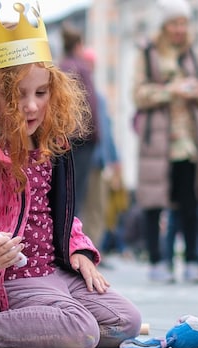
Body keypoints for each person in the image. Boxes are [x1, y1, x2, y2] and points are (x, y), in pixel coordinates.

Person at [0, 2, 140, 348]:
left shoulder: (49, 146)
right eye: (17, 95)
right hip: (3, 278)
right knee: (79, 330)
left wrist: (77, 247)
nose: (32, 106)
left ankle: (46, 324)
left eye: (41, 93)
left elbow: (57, 214)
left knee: (127, 323)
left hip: (53, 270)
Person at [132, 0, 198, 283]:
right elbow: (138, 93)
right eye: (175, 24)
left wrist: (196, 92)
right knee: (154, 202)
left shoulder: (192, 54)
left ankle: (192, 259)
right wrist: (171, 91)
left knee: (189, 201)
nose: (180, 29)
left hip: (187, 142)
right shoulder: (148, 54)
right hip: (157, 140)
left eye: (184, 23)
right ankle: (156, 261)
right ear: (165, 26)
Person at [80, 47, 121, 253]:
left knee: (97, 207)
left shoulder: (99, 98)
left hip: (98, 160)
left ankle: (93, 250)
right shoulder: (76, 94)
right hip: (80, 159)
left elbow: (107, 131)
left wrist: (115, 160)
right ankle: (79, 250)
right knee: (82, 207)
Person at [59, 24, 100, 217]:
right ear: (79, 45)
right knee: (78, 192)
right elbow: (91, 103)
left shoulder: (58, 68)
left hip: (61, 137)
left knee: (63, 190)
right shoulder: (82, 68)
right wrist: (96, 135)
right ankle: (73, 238)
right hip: (82, 138)